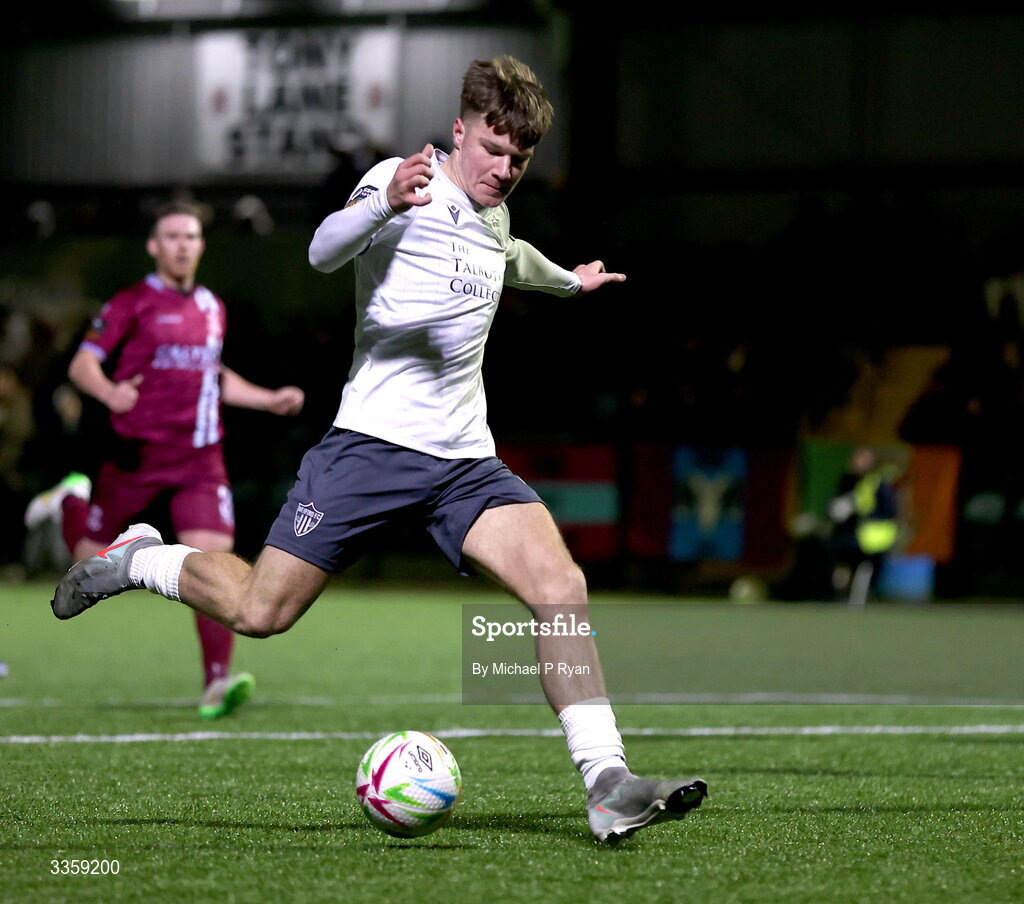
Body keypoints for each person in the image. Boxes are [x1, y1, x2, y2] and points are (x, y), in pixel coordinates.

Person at [51, 57, 707, 842]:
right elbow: (324, 250)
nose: (503, 170)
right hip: (369, 448)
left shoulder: (493, 211)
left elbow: (505, 255)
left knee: (559, 586)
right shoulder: (405, 181)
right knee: (262, 611)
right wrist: (382, 204)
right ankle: (139, 559)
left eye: (519, 160)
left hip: (466, 461)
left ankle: (607, 782)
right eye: (492, 150)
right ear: (459, 131)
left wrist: (570, 282)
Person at [46, 201, 305, 718]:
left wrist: (266, 399)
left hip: (199, 460)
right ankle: (69, 498)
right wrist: (111, 392)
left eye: (191, 236)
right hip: (137, 456)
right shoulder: (131, 302)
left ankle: (216, 683)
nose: (183, 245)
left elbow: (213, 374)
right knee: (87, 559)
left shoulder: (212, 305)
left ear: (201, 245)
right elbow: (82, 365)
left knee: (212, 560)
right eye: (172, 236)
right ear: (154, 246)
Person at [826, 445, 901, 604]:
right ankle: (840, 594)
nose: (859, 463)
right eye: (858, 458)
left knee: (866, 569)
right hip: (848, 535)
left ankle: (863, 597)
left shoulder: (877, 483)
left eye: (864, 459)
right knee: (840, 564)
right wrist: (836, 509)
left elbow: (888, 511)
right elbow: (835, 505)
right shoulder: (846, 480)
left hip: (869, 538)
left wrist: (864, 513)